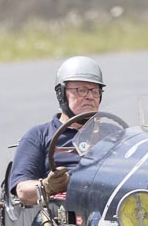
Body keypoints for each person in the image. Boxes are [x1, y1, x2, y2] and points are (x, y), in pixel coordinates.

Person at [9, 55, 105, 206]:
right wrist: (48, 186)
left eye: (95, 91)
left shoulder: (114, 134)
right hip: (62, 214)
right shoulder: (39, 135)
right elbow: (22, 191)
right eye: (82, 90)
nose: (90, 97)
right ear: (61, 94)